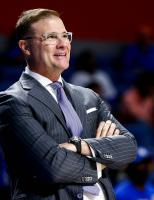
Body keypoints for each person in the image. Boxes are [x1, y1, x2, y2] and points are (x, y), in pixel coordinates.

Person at [0, 8, 137, 200]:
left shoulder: (88, 97)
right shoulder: (12, 101)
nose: (63, 44)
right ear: (25, 47)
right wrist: (101, 161)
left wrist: (81, 146)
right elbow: (53, 166)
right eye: (51, 37)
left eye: (65, 36)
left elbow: (129, 147)